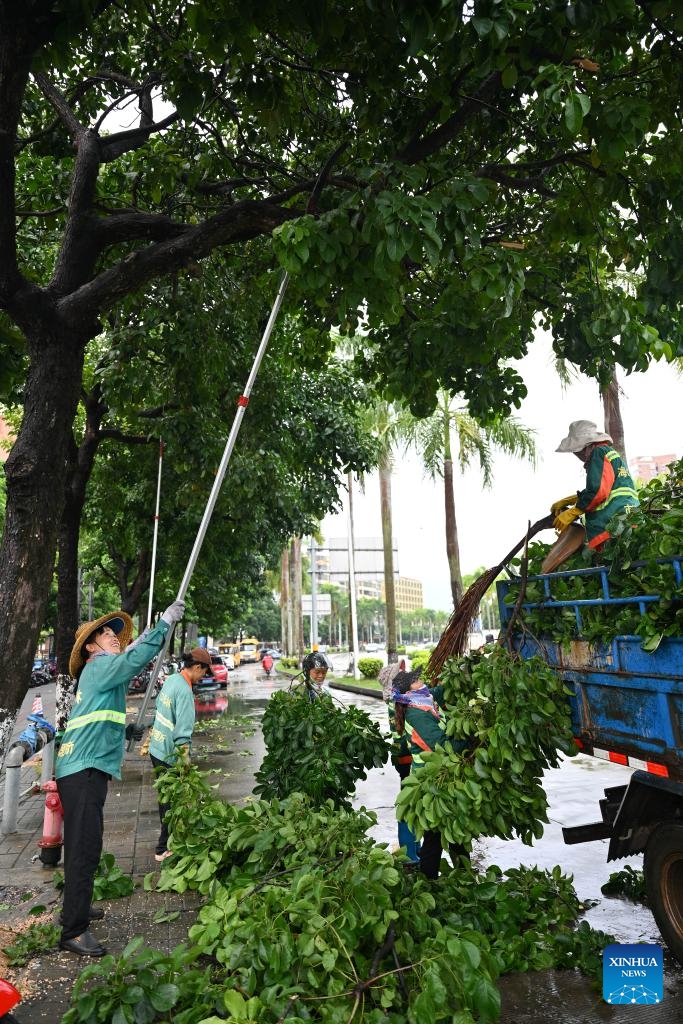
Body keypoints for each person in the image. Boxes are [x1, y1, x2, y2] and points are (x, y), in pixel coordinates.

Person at [56, 600, 185, 957]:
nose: (112, 636)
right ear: (90, 647)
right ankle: (73, 930)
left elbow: (96, 717)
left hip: (85, 768)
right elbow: (132, 660)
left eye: (114, 632)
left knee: (88, 845)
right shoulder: (99, 668)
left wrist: (126, 729)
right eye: (104, 632)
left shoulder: (103, 674)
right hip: (82, 771)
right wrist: (161, 627)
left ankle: (75, 908)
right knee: (83, 848)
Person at [392, 668, 468, 879]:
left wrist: (464, 670)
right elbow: (442, 746)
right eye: (415, 680)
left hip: (443, 776)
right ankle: (429, 881)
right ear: (408, 690)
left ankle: (463, 876)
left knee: (453, 833)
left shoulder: (425, 699)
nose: (420, 680)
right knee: (435, 838)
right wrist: (469, 736)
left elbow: (442, 690)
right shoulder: (416, 712)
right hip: (432, 782)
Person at [148, 647, 212, 862]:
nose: (204, 676)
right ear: (196, 667)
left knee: (165, 798)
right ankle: (162, 849)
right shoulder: (184, 690)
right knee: (170, 802)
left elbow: (159, 707)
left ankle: (170, 841)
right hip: (168, 754)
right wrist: (186, 762)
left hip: (157, 748)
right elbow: (183, 734)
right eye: (204, 672)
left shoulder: (172, 680)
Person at [551, 420, 639, 552]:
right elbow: (607, 487)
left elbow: (598, 491)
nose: (577, 455)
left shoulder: (598, 453)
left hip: (613, 523)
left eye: (577, 451)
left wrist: (575, 510)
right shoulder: (608, 453)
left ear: (587, 446)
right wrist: (572, 499)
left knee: (612, 561)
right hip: (626, 516)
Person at [380, 659, 420, 865]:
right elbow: (401, 736)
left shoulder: (399, 699)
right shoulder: (396, 701)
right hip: (406, 759)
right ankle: (408, 853)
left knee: (413, 803)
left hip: (405, 759)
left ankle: (414, 849)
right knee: (408, 804)